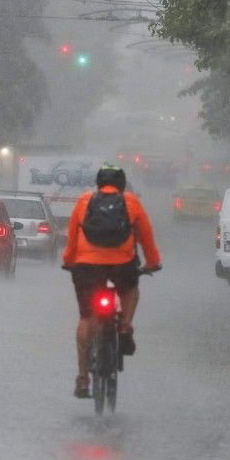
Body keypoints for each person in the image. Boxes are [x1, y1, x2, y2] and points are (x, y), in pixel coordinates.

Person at [63, 164, 162, 398]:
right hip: (121, 265)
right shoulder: (132, 202)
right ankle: (125, 327)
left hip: (87, 267)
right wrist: (152, 263)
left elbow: (72, 238)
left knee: (86, 318)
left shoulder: (84, 201)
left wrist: (69, 261)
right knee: (131, 290)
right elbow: (146, 237)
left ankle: (83, 378)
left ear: (98, 184)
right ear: (122, 184)